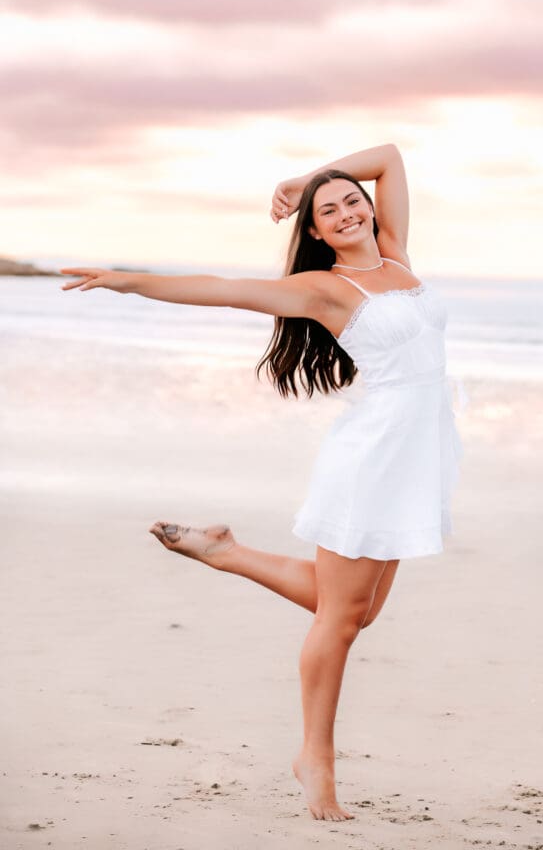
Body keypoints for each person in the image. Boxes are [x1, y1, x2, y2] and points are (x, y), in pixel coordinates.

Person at [59, 142, 464, 822]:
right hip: (373, 457)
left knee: (358, 610)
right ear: (312, 232)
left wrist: (306, 179)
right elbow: (221, 290)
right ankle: (316, 762)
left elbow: (390, 156)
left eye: (350, 201)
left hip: (422, 455)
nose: (344, 213)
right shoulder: (326, 288)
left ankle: (224, 551)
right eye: (327, 211)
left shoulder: (395, 256)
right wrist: (126, 279)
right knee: (340, 619)